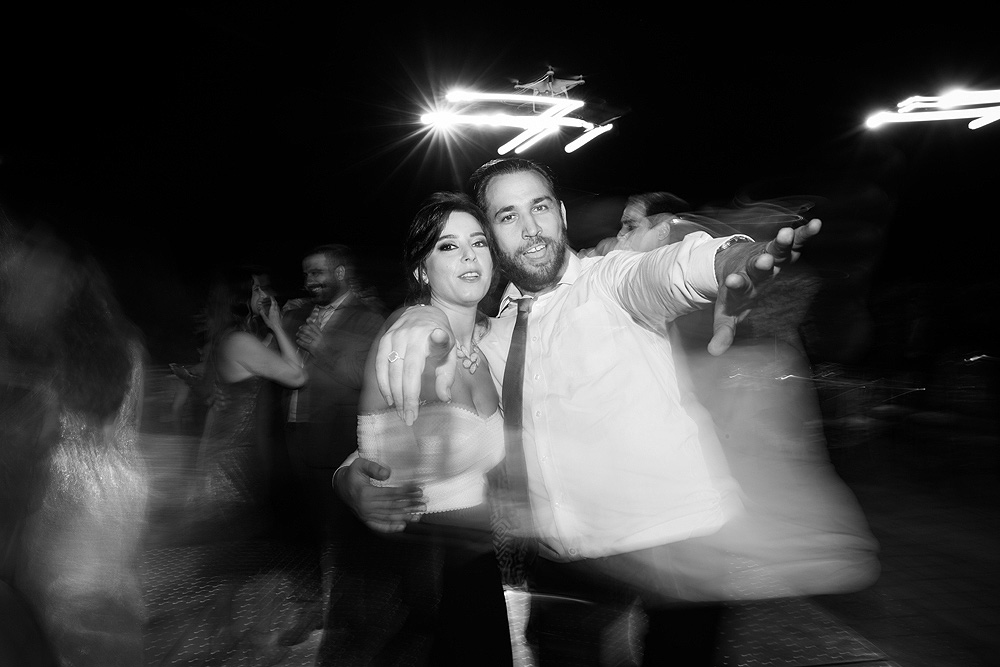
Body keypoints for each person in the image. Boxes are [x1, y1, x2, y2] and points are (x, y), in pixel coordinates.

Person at [337, 157, 877, 666]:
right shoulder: (490, 335)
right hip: (566, 565)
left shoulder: (611, 282)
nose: (531, 228)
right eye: (507, 216)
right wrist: (351, 473)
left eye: (540, 207)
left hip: (676, 553)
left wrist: (730, 261)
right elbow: (426, 428)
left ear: (560, 213)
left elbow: (669, 270)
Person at [321, 192, 512, 666]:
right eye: (448, 246)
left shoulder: (484, 345)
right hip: (418, 571)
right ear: (423, 271)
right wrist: (418, 317)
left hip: (474, 562)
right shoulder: (413, 337)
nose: (468, 255)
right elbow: (383, 453)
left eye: (478, 242)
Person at [1, 215, 148, 666]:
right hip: (115, 493)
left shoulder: (37, 356)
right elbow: (127, 435)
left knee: (61, 621)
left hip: (65, 497)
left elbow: (39, 441)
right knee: (93, 621)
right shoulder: (125, 346)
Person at [279, 243, 386, 642]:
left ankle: (349, 622)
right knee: (304, 534)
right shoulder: (301, 314)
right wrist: (276, 321)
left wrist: (322, 348)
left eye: (316, 272)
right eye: (306, 274)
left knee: (344, 539)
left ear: (340, 273)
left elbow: (364, 377)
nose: (309, 281)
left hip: (337, 443)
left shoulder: (369, 319)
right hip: (295, 437)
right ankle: (309, 611)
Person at [192, 266, 307, 539]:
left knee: (238, 540)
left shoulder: (228, 338)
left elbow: (215, 404)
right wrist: (277, 325)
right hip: (237, 455)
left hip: (229, 448)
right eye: (256, 289)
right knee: (242, 539)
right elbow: (298, 376)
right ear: (240, 297)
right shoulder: (240, 341)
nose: (264, 295)